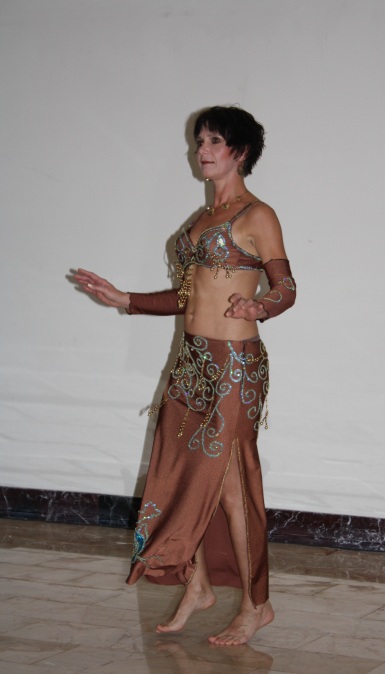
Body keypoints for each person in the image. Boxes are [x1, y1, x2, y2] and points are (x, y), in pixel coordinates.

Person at [74, 105, 296, 646]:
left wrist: (260, 307)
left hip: (234, 365)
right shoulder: (198, 221)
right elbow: (187, 298)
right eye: (200, 141)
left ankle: (258, 604)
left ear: (240, 151)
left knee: (233, 487)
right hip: (191, 361)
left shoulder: (257, 215)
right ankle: (197, 585)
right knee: (180, 477)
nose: (203, 150)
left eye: (215, 141)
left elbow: (287, 288)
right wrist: (125, 299)